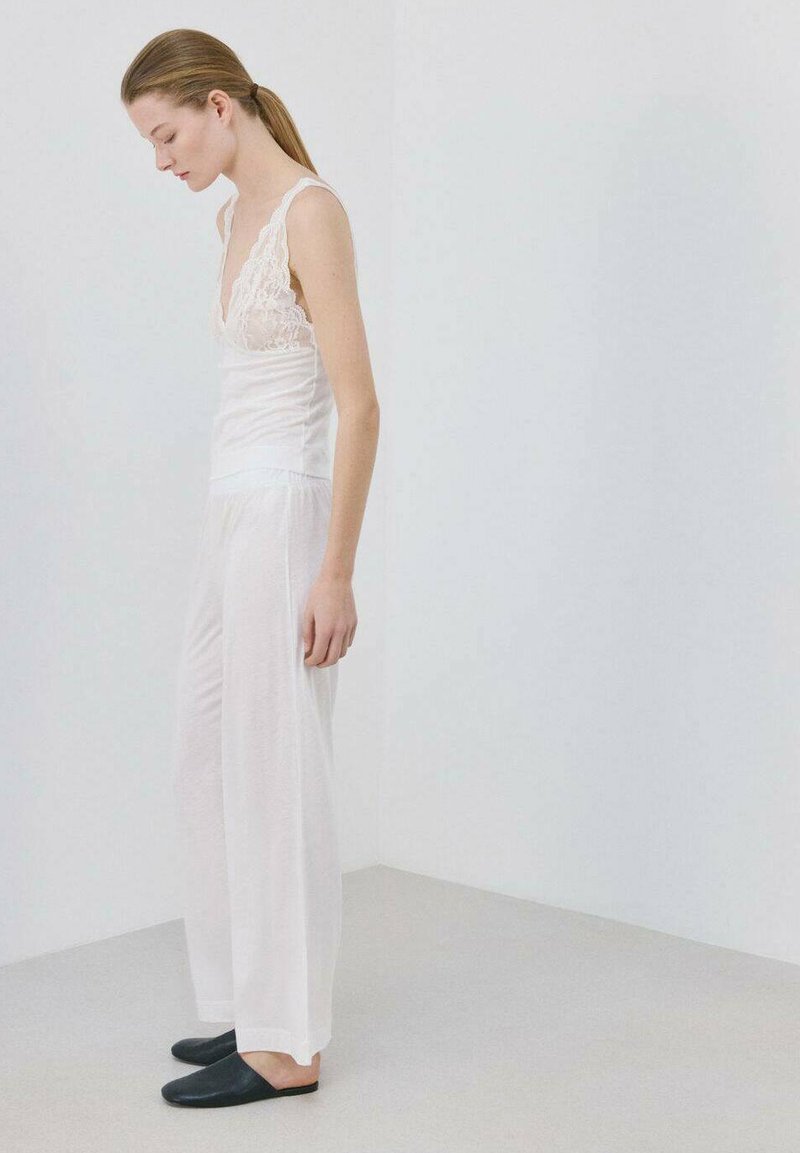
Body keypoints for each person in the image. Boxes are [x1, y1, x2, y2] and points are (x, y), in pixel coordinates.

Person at [121, 29, 379, 1109]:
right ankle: (248, 1003)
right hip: (229, 514)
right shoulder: (233, 218)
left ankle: (288, 1049)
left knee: (275, 772)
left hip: (284, 516)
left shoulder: (310, 213)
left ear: (219, 106)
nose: (161, 160)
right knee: (206, 748)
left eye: (166, 135)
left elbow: (360, 404)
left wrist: (336, 572)